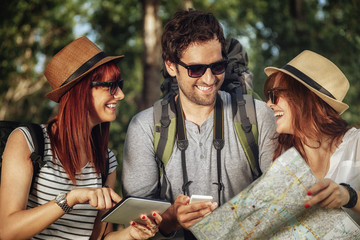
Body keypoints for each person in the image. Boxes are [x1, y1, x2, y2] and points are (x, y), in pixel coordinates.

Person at [122, 9, 276, 239]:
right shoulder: (144, 127)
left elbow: (281, 199)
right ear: (171, 66)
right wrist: (171, 218)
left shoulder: (258, 116)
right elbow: (135, 226)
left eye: (217, 66)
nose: (209, 79)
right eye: (195, 69)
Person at [0, 36, 162, 239]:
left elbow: (99, 237)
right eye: (111, 85)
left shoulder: (105, 160)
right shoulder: (27, 141)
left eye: (119, 85)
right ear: (82, 91)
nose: (120, 94)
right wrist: (70, 199)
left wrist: (131, 234)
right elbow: (6, 231)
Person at [263, 50, 360, 224]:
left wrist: (349, 196)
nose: (269, 104)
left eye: (275, 95)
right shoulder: (281, 156)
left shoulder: (356, 145)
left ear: (304, 98)